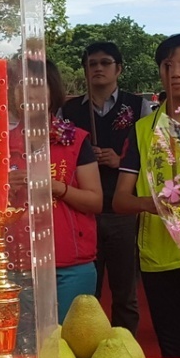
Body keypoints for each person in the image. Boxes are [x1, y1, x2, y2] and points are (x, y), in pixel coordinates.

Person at [114, 34, 180, 358]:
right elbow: (120, 201)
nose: (174, 72)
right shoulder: (143, 129)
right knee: (173, 351)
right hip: (160, 258)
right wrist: (155, 204)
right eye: (167, 65)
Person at [59, 41, 145, 334]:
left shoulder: (137, 106)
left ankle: (126, 350)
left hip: (122, 211)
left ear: (118, 69)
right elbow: (58, 156)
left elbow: (150, 153)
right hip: (83, 212)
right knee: (86, 298)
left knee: (125, 292)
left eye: (105, 63)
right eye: (91, 64)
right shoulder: (68, 110)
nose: (97, 68)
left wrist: (119, 160)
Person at [30, 61, 102, 320]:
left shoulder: (75, 139)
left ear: (53, 90)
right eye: (20, 85)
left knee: (71, 345)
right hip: (20, 266)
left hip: (71, 266)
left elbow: (96, 201)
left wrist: (59, 188)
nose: (28, 93)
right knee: (23, 350)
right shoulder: (3, 142)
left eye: (37, 85)